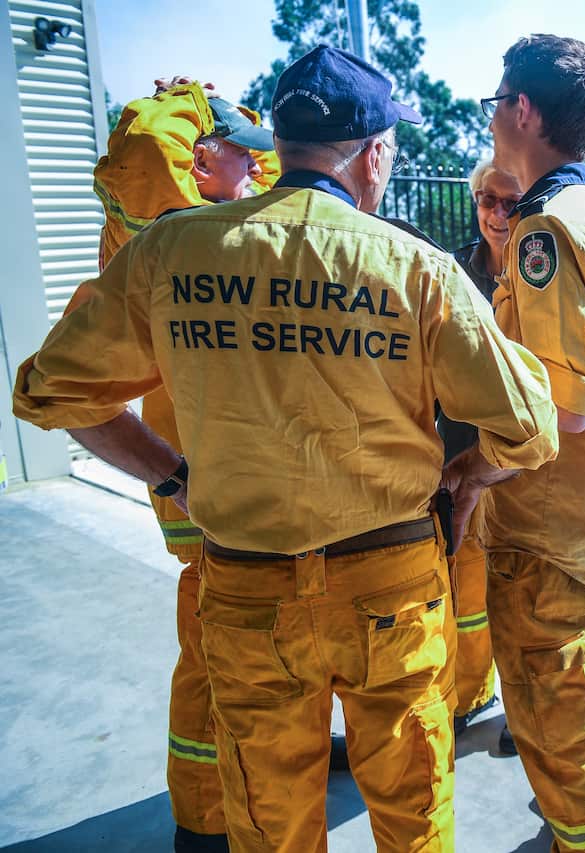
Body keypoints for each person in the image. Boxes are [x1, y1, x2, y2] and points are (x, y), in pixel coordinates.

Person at [14, 45, 561, 850]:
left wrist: (172, 476)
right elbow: (534, 426)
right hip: (392, 591)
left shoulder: (170, 253)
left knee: (269, 825)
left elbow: (47, 392)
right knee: (414, 820)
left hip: (245, 589)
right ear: (374, 154)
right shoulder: (414, 268)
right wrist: (466, 474)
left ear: (282, 144)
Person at [89, 76, 278, 853]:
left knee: (256, 653)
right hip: (200, 479)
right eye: (239, 156)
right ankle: (203, 817)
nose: (258, 169)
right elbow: (149, 159)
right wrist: (191, 114)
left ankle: (249, 777)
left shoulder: (198, 221)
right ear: (198, 163)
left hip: (234, 475)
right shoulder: (173, 242)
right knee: (212, 657)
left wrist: (228, 117)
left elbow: (270, 172)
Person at [479, 34, 585, 850]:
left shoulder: (547, 227)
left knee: (552, 701)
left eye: (494, 104)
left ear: (522, 109)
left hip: (546, 524)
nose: (492, 121)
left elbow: (560, 409)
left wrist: (471, 468)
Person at [443, 159, 525, 755]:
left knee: (527, 597)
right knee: (463, 589)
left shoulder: (553, 267)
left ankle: (531, 716)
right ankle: (467, 697)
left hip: (530, 463)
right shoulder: (449, 269)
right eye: (487, 201)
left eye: (511, 202)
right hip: (466, 457)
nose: (497, 214)